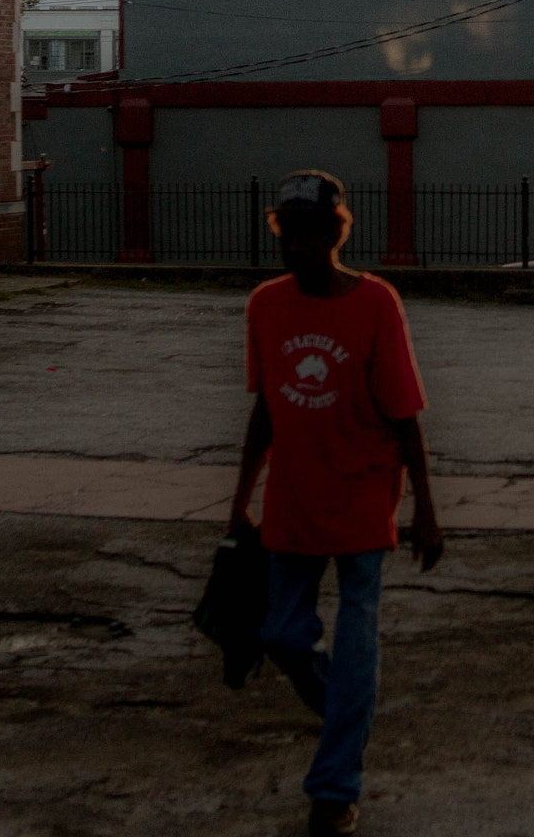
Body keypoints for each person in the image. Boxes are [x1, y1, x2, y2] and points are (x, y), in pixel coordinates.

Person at [231, 170, 443, 837]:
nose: (295, 247)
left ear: (335, 234)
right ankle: (346, 711)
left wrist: (426, 510)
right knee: (280, 634)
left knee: (356, 641)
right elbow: (265, 408)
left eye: (310, 235)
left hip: (360, 498)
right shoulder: (265, 306)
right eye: (286, 235)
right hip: (292, 501)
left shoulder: (375, 304)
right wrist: (239, 498)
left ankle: (334, 787)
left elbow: (405, 415)